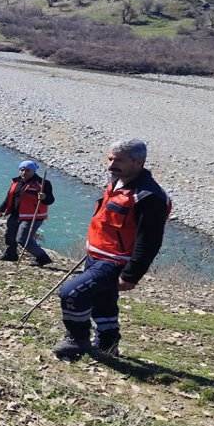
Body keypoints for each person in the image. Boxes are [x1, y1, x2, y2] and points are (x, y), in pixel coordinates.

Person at [52, 140, 171, 360]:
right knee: (102, 303)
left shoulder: (149, 196)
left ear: (138, 162)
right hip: (96, 255)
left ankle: (76, 338)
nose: (112, 164)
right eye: (110, 158)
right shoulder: (116, 182)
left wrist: (131, 275)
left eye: (119, 160)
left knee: (71, 293)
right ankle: (108, 345)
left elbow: (150, 240)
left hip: (116, 261)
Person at [0, 160, 55, 266]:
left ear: (33, 171)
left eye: (27, 170)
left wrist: (44, 197)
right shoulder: (16, 182)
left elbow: (50, 200)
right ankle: (11, 254)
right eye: (22, 170)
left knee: (22, 239)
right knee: (9, 234)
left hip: (32, 216)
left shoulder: (43, 183)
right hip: (15, 213)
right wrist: (1, 209)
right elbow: (9, 197)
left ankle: (43, 258)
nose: (24, 172)